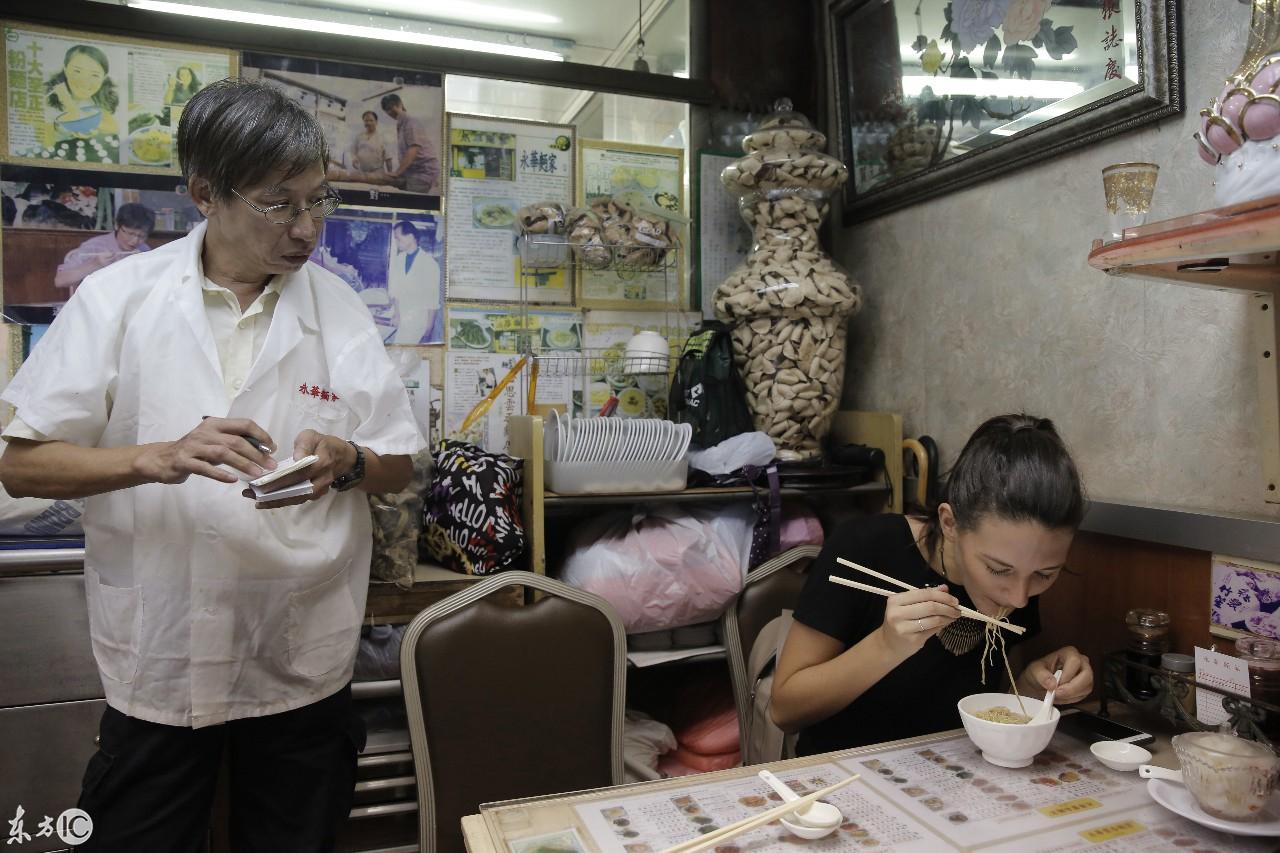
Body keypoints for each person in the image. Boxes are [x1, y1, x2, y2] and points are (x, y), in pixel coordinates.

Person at [0, 79, 424, 852]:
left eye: (318, 201)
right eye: (279, 203)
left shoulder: (339, 308)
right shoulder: (116, 299)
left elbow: (397, 461)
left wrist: (349, 459)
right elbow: (24, 466)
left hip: (298, 658)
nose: (307, 228)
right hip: (162, 660)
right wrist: (155, 456)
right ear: (205, 193)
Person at [771, 414, 1092, 755]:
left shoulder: (1021, 574)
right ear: (950, 523)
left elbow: (987, 699)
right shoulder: (865, 546)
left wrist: (1031, 685)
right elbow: (785, 710)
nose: (1019, 597)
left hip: (955, 778)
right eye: (998, 570)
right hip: (843, 777)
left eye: (1045, 574)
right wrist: (885, 646)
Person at [54, 203, 156, 297]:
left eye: (141, 236)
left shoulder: (144, 250)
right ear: (117, 225)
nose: (134, 241)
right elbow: (60, 281)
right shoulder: (95, 246)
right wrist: (95, 263)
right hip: (96, 305)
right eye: (130, 233)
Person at [46, 44, 119, 137]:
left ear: (104, 78)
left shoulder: (105, 98)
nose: (84, 82)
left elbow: (115, 128)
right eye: (77, 71)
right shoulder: (47, 95)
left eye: (95, 75)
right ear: (65, 69)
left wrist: (94, 128)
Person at [387, 219, 441, 344]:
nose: (396, 242)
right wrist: (397, 313)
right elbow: (395, 290)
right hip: (400, 316)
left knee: (403, 354)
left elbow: (432, 299)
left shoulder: (429, 264)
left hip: (418, 320)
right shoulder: (399, 259)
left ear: (410, 237)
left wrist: (429, 327)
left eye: (398, 238)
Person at [380, 93, 439, 194]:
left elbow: (413, 149)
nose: (391, 111)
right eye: (387, 109)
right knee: (383, 180)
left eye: (392, 107)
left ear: (400, 105)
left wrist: (398, 172)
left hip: (424, 172)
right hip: (413, 172)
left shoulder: (411, 122)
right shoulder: (401, 124)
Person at [347, 110, 390, 176]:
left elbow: (388, 158)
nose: (368, 123)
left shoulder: (383, 137)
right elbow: (353, 150)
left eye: (371, 120)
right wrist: (354, 158)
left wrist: (390, 174)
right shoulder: (359, 136)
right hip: (361, 172)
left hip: (377, 173)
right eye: (366, 121)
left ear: (376, 122)